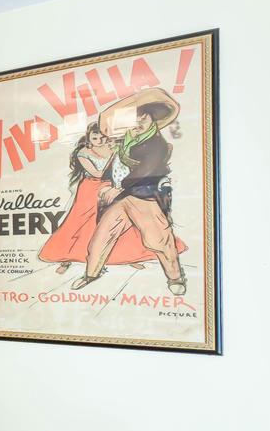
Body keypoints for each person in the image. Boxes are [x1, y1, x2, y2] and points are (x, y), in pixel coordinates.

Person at [71, 88, 188, 295]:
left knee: (158, 240)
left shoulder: (156, 144)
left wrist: (118, 189)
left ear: (152, 118)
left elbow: (145, 172)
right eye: (134, 120)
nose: (139, 123)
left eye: (144, 117)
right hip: (121, 198)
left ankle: (175, 278)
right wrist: (108, 183)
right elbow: (112, 166)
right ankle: (91, 273)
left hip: (145, 197)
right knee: (101, 237)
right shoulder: (124, 142)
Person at [39, 122, 180, 272]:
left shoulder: (114, 147)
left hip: (113, 186)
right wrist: (116, 159)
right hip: (90, 187)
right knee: (80, 222)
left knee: (124, 218)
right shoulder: (84, 152)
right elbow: (97, 174)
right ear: (89, 137)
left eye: (102, 137)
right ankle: (66, 258)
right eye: (95, 137)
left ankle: (128, 256)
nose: (99, 140)